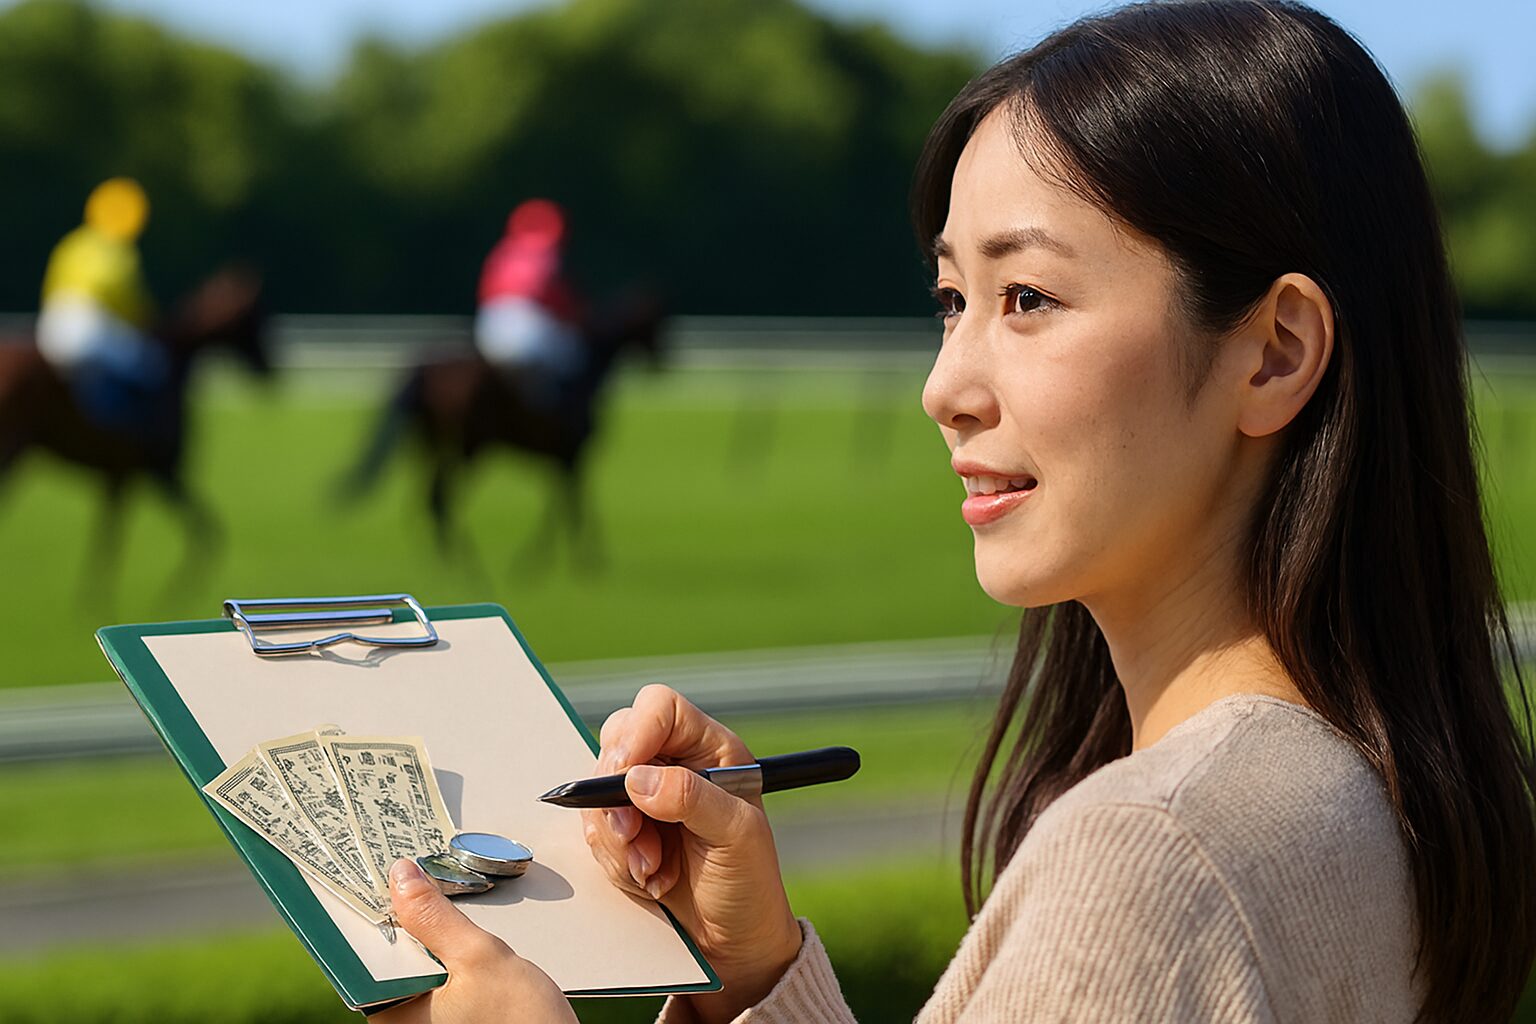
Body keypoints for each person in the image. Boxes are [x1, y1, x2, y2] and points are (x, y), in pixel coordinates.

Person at [374, 1, 1536, 1021]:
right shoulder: (1355, 787)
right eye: (950, 297)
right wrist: (758, 977)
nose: (944, 389)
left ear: (1276, 352)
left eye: (1027, 297)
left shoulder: (1153, 855)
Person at [36, 176, 169, 431]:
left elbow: (50, 286)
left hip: (51, 325)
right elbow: (129, 303)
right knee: (152, 364)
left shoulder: (73, 243)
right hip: (90, 326)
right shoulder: (121, 253)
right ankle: (122, 426)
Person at [473, 198, 585, 409]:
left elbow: (485, 291)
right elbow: (558, 301)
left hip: (490, 322)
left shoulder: (502, 252)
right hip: (530, 323)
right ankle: (552, 408)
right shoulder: (549, 257)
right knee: (572, 358)